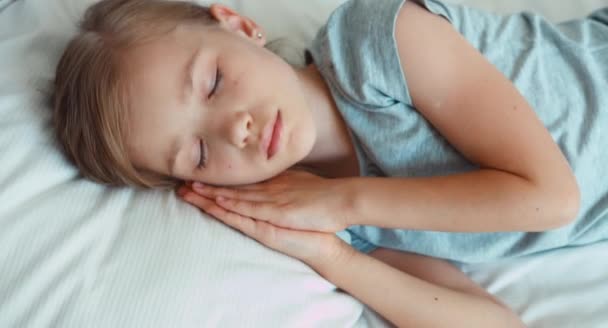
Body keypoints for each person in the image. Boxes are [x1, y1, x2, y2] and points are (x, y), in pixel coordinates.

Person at [50, 0, 608, 325]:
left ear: (240, 25)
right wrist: (331, 255)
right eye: (198, 151)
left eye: (214, 81)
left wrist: (342, 201)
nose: (233, 128)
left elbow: (551, 198)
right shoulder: (329, 215)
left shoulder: (373, 44)